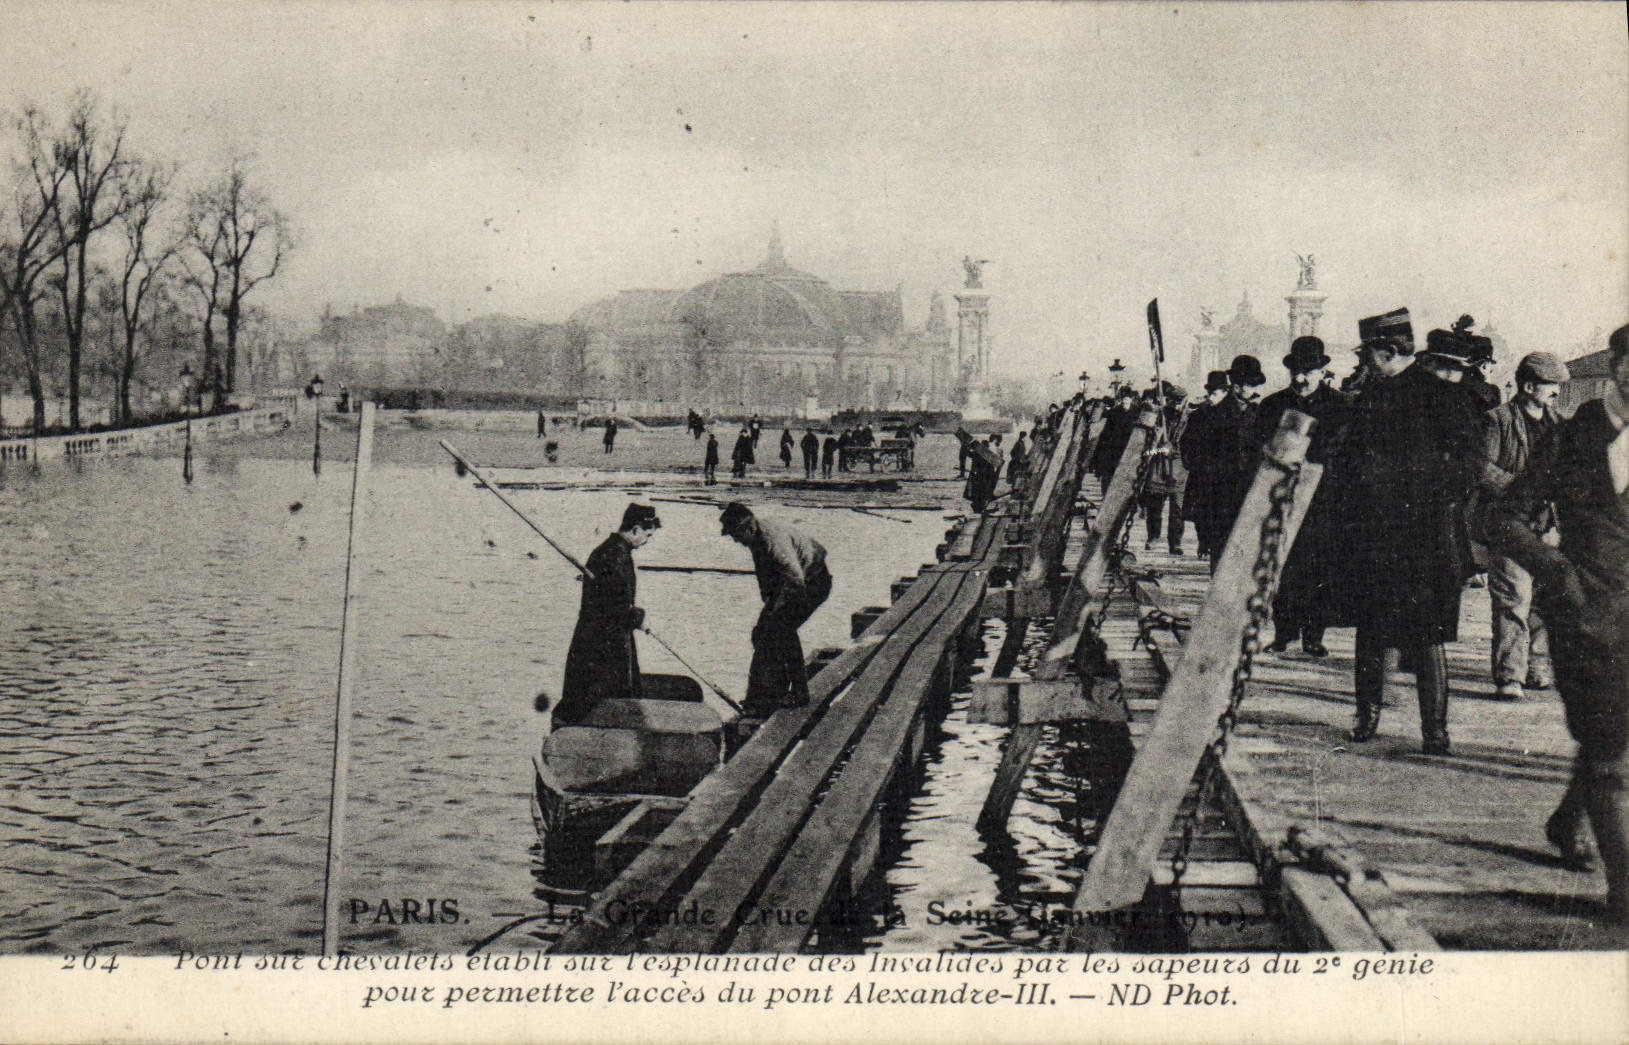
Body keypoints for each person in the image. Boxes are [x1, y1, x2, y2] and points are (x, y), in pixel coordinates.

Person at [1486, 323, 1629, 925]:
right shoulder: (1573, 439)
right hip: (1588, 618)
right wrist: (1561, 576)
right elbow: (1501, 517)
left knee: (1612, 739)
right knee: (1611, 756)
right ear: (1620, 369)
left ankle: (1568, 819)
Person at [1340, 312, 1484, 755]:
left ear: (1388, 352)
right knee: (1379, 628)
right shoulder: (1371, 398)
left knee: (1425, 634)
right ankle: (1374, 717)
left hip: (1424, 534)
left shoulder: (1446, 398)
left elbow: (1467, 466)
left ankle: (1431, 729)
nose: (1367, 362)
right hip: (1385, 534)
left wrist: (1409, 488)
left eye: (1370, 355)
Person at [1478, 351, 1569, 699]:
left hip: (1548, 527)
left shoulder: (1559, 425)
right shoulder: (1497, 420)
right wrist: (1522, 491)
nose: (1556, 393)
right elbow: (1481, 468)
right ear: (1529, 386)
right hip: (1509, 524)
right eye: (1551, 386)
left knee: (1546, 599)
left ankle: (1537, 665)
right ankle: (1509, 675)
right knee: (1513, 598)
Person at [1257, 337, 1352, 657]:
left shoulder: (1341, 407)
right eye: (1296, 371)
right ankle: (1283, 632)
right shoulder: (1273, 406)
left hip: (1325, 502)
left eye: (1308, 371)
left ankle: (1314, 634)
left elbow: (1347, 455)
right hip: (1281, 498)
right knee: (1282, 565)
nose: (1301, 378)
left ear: (1322, 370)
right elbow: (1259, 449)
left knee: (1321, 568)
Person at [721, 502, 833, 717]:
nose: (736, 541)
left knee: (783, 630)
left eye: (735, 535)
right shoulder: (755, 539)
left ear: (748, 527)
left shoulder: (773, 539)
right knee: (761, 633)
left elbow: (795, 579)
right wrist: (768, 605)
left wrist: (775, 611)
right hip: (792, 582)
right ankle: (767, 693)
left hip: (813, 581)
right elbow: (764, 575)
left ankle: (799, 692)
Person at [554, 504, 661, 726]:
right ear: (635, 529)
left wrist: (634, 616)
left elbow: (616, 600)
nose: (647, 541)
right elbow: (615, 606)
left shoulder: (614, 551)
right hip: (602, 641)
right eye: (647, 535)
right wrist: (636, 617)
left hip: (606, 637)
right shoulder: (614, 556)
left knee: (597, 694)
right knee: (596, 694)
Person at [1187, 355, 1266, 573]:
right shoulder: (1208, 416)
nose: (1245, 388)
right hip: (1219, 496)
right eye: (1240, 383)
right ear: (1233, 383)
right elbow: (1192, 453)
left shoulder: (1260, 415)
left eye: (1250, 383)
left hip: (1250, 494)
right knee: (1220, 551)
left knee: (1248, 552)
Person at [1181, 370, 1232, 560]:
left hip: (1223, 476)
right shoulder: (1199, 416)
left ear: (1225, 393)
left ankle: (1212, 545)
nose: (1211, 398)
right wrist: (1192, 462)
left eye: (1215, 393)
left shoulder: (1231, 416)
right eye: (1210, 393)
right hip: (1202, 473)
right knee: (1201, 514)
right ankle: (1204, 542)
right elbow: (1185, 442)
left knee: (1218, 513)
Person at [1139, 388, 1189, 554]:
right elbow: (1147, 438)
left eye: (1179, 402)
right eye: (1173, 401)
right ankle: (1153, 537)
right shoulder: (1160, 415)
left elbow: (1192, 442)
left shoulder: (1189, 418)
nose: (1176, 406)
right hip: (1159, 466)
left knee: (1178, 509)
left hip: (1179, 468)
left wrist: (1175, 450)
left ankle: (1175, 542)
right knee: (1154, 505)